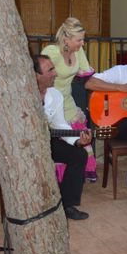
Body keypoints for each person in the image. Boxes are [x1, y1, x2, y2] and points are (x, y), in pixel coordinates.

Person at [33, 54, 91, 220]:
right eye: (50, 70)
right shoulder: (16, 95)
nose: (55, 73)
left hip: (45, 141)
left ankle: (67, 205)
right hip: (21, 147)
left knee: (79, 155)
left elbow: (59, 125)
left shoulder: (55, 95)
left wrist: (78, 140)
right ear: (35, 75)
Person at [42, 17, 96, 181]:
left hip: (68, 102)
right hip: (51, 103)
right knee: (59, 143)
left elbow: (86, 74)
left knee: (77, 141)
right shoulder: (51, 52)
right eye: (79, 40)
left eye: (83, 39)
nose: (82, 43)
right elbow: (39, 75)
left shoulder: (78, 51)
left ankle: (71, 181)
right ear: (66, 39)